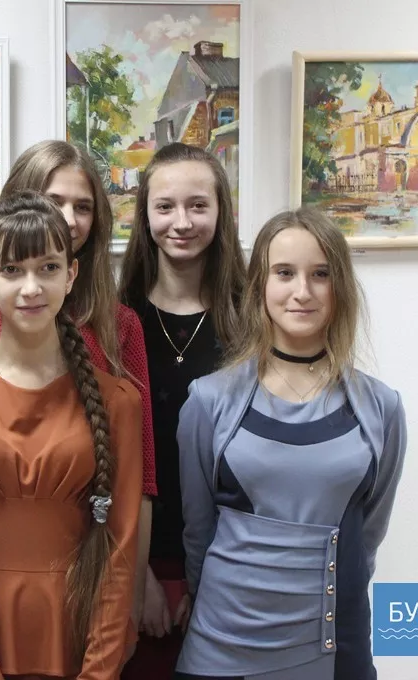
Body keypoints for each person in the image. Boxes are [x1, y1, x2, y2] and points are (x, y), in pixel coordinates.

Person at [0, 140, 158, 616]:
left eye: (83, 207)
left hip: (86, 578)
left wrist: (135, 586)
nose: (69, 220)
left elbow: (140, 477)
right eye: (54, 202)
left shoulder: (119, 326)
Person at [175, 207, 407, 680]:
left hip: (336, 647)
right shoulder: (209, 400)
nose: (303, 291)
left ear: (340, 286)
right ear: (259, 284)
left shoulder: (381, 407)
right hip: (222, 644)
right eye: (284, 273)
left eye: (320, 274)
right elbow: (198, 532)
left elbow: (367, 535)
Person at [117, 142, 246, 680]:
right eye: (165, 206)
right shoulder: (115, 320)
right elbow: (106, 459)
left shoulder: (253, 321)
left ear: (221, 212)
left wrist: (209, 579)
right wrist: (135, 574)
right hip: (133, 559)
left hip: (228, 567)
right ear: (145, 216)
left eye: (198, 205)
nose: (182, 222)